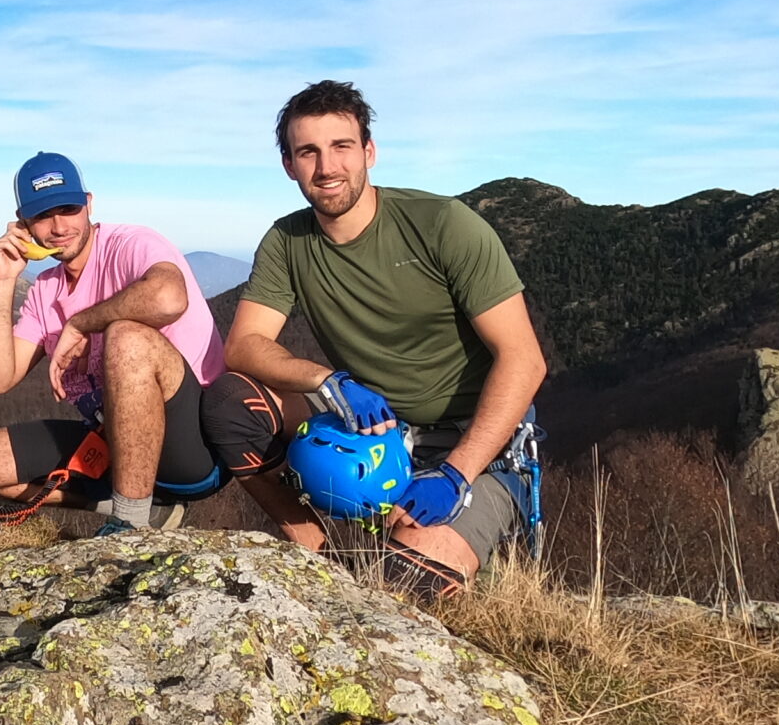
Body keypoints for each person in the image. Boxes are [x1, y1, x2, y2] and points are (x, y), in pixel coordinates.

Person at [224, 79, 548, 598]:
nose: (327, 167)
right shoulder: (287, 241)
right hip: (375, 432)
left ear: (369, 152)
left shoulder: (444, 225)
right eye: (308, 151)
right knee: (230, 405)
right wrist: (329, 381)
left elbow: (524, 360)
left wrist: (457, 474)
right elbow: (243, 347)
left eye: (341, 147)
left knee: (402, 589)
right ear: (289, 165)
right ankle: (320, 557)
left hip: (473, 445)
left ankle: (435, 544)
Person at [0, 152, 273, 532]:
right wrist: (3, 283)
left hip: (193, 446)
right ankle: (139, 509)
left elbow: (169, 297)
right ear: (24, 224)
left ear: (88, 204)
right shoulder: (45, 288)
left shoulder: (130, 245)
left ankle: (128, 524)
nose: (58, 227)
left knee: (126, 337)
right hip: (113, 445)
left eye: (68, 208)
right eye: (42, 216)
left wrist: (83, 323)